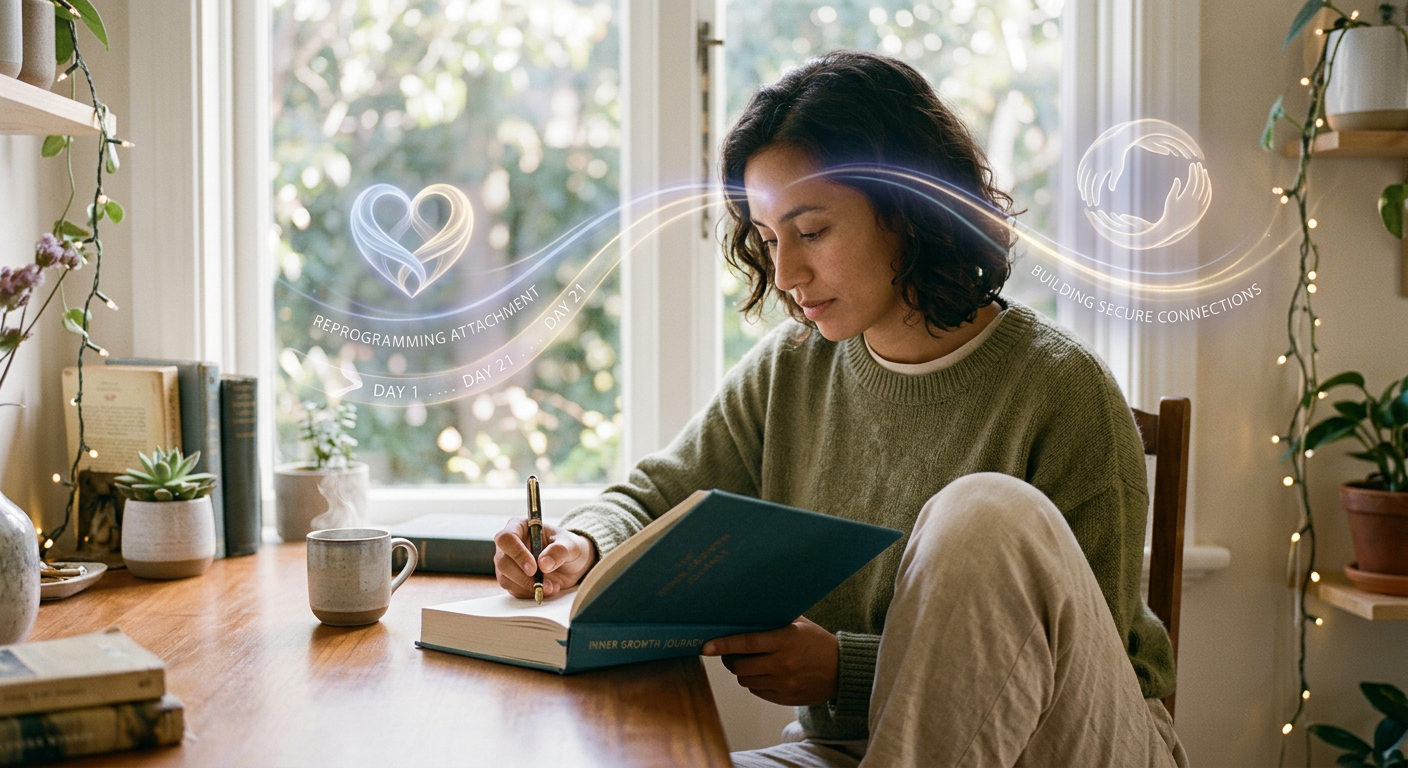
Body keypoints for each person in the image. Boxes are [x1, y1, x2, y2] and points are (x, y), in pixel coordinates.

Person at [493, 50, 1187, 767]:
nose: (787, 275)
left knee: (982, 513)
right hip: (846, 753)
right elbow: (655, 499)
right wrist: (578, 545)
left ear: (910, 209)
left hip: (1069, 747)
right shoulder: (791, 373)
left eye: (813, 231)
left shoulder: (1062, 390)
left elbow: (1083, 667)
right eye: (767, 239)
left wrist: (844, 670)